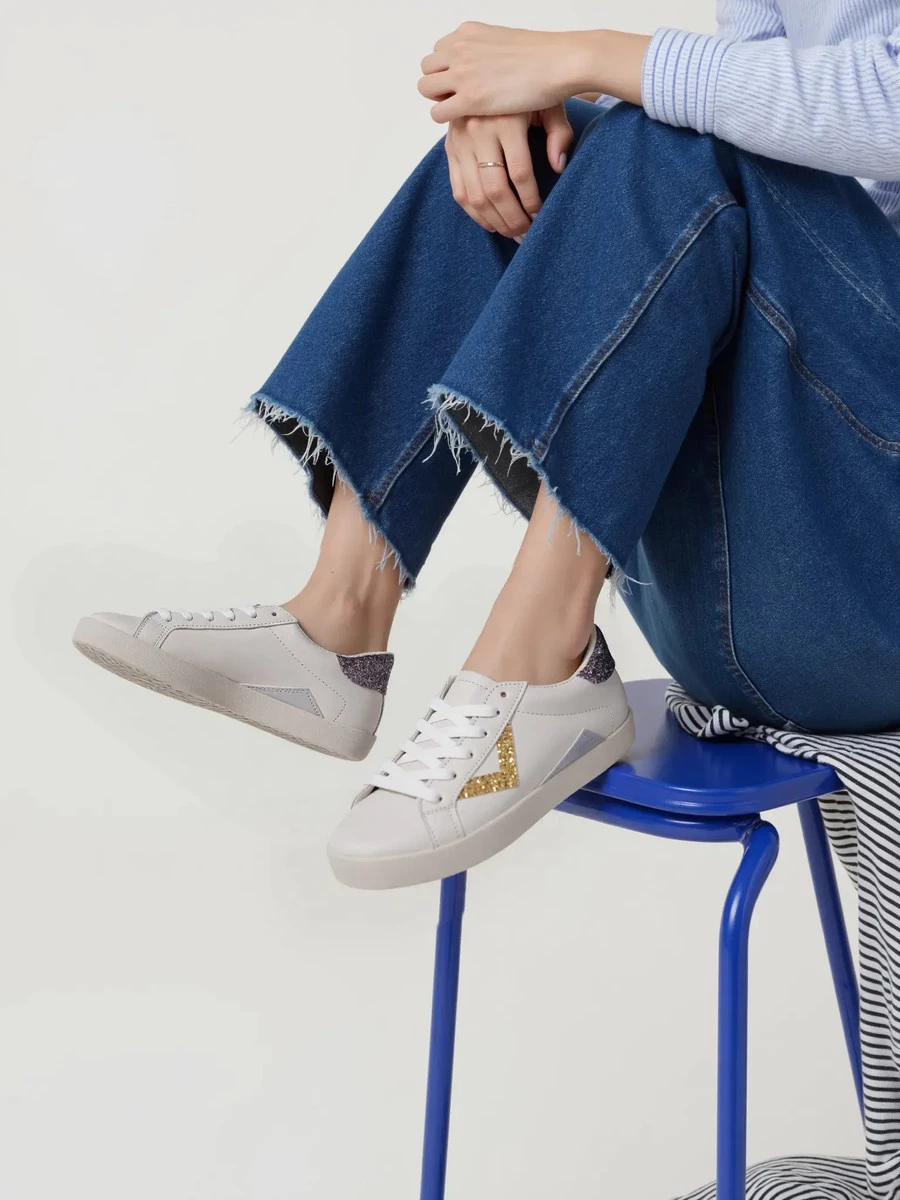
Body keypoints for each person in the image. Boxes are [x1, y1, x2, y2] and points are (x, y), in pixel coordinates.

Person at [73, 6, 900, 892]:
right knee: (537, 150)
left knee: (660, 134)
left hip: (865, 587)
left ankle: (541, 662)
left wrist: (579, 58)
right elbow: (746, 105)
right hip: (770, 580)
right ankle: (339, 621)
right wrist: (527, 102)